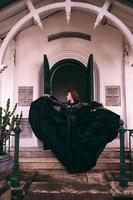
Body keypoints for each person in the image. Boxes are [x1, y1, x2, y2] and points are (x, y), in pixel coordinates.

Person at [29, 90, 120, 173]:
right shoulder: (65, 105)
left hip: (77, 129)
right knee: (69, 147)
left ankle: (79, 164)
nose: (66, 96)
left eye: (68, 94)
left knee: (78, 146)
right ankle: (71, 164)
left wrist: (99, 105)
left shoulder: (81, 104)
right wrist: (48, 97)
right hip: (68, 129)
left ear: (72, 95)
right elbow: (55, 102)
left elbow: (90, 105)